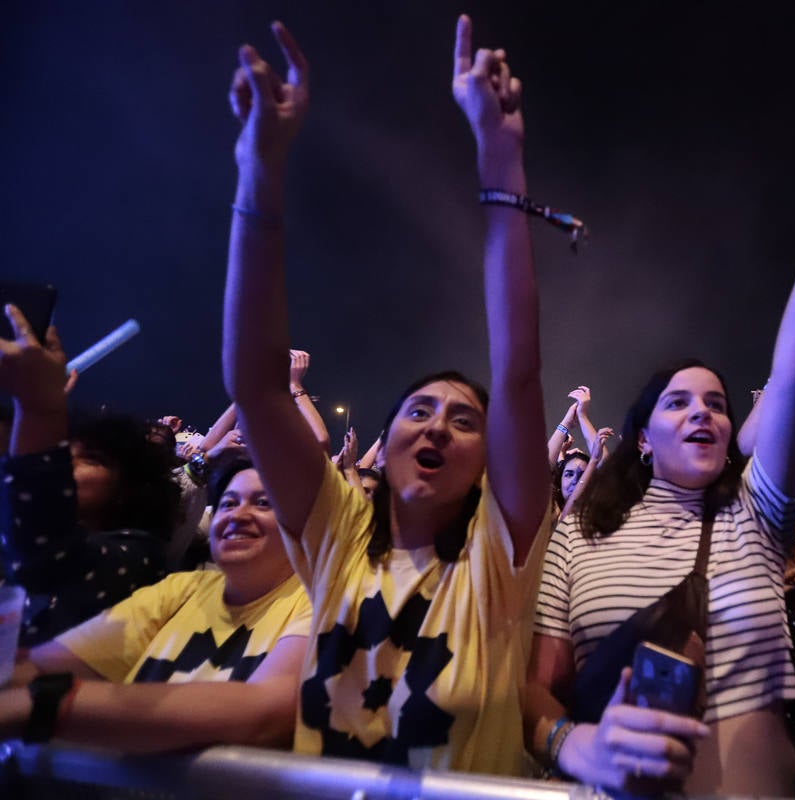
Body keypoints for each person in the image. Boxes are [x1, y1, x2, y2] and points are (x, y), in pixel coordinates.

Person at [526, 65, 795, 796]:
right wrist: (571, 742)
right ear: (643, 436)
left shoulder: (759, 512)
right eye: (679, 403)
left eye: (715, 402)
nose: (704, 413)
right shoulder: (579, 529)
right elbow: (539, 688)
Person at [220, 17, 552, 775]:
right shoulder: (334, 534)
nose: (437, 425)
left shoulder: (501, 558)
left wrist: (501, 160)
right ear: (389, 432)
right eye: (420, 410)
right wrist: (259, 169)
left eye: (465, 420)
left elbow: (520, 370)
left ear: (487, 460)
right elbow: (256, 384)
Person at [0, 460, 311, 751]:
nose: (237, 515)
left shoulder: (320, 599)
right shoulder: (180, 589)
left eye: (263, 503)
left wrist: (43, 704)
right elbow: (41, 666)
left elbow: (267, 712)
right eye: (228, 503)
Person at [1, 307, 179, 645]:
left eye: (91, 459)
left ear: (129, 485)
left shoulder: (139, 555)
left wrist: (40, 408)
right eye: (64, 452)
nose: (66, 463)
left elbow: (43, 559)